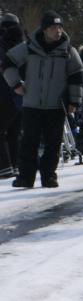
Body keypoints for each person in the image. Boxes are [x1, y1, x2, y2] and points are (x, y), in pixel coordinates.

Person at [3, 11, 83, 188]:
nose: (58, 31)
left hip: (56, 104)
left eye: (60, 27)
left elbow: (77, 75)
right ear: (45, 29)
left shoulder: (68, 51)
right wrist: (15, 84)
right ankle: (25, 177)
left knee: (53, 143)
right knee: (28, 142)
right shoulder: (29, 47)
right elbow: (8, 62)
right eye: (54, 27)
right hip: (32, 104)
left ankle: (49, 176)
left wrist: (74, 101)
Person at [0, 13, 25, 178]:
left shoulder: (2, 45)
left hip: (5, 93)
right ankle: (15, 165)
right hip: (23, 94)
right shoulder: (24, 45)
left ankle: (4, 167)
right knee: (15, 133)